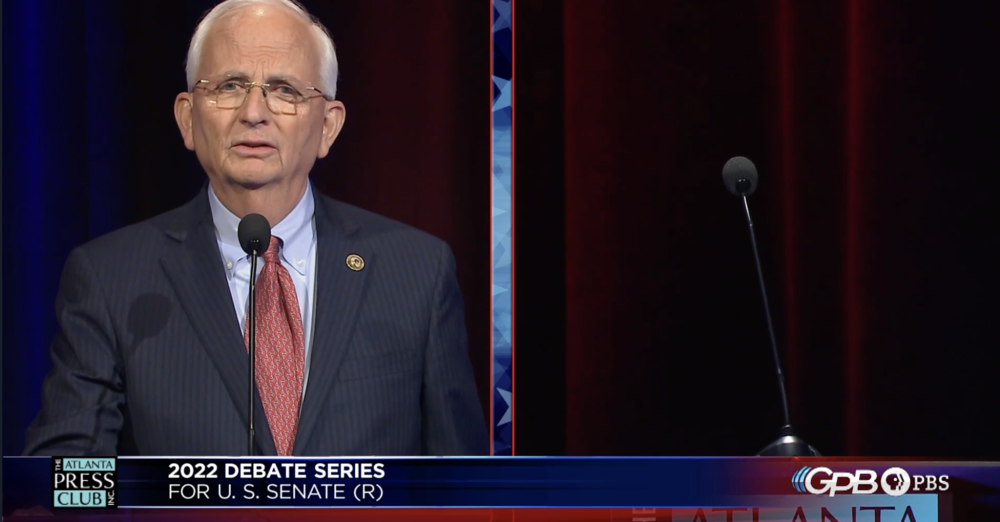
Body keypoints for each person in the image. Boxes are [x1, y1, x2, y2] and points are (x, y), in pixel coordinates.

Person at [23, 0, 487, 456]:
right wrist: (171, 497)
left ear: (328, 125)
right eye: (229, 85)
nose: (253, 112)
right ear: (187, 119)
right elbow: (64, 484)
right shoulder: (111, 278)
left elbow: (462, 488)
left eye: (284, 89)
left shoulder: (415, 273)